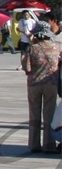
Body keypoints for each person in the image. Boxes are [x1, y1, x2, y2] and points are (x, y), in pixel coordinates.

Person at [20, 14, 59, 154]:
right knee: (50, 114)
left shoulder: (32, 48)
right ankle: (49, 145)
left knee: (34, 114)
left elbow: (27, 67)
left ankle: (34, 144)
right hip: (51, 84)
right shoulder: (57, 48)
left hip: (34, 84)